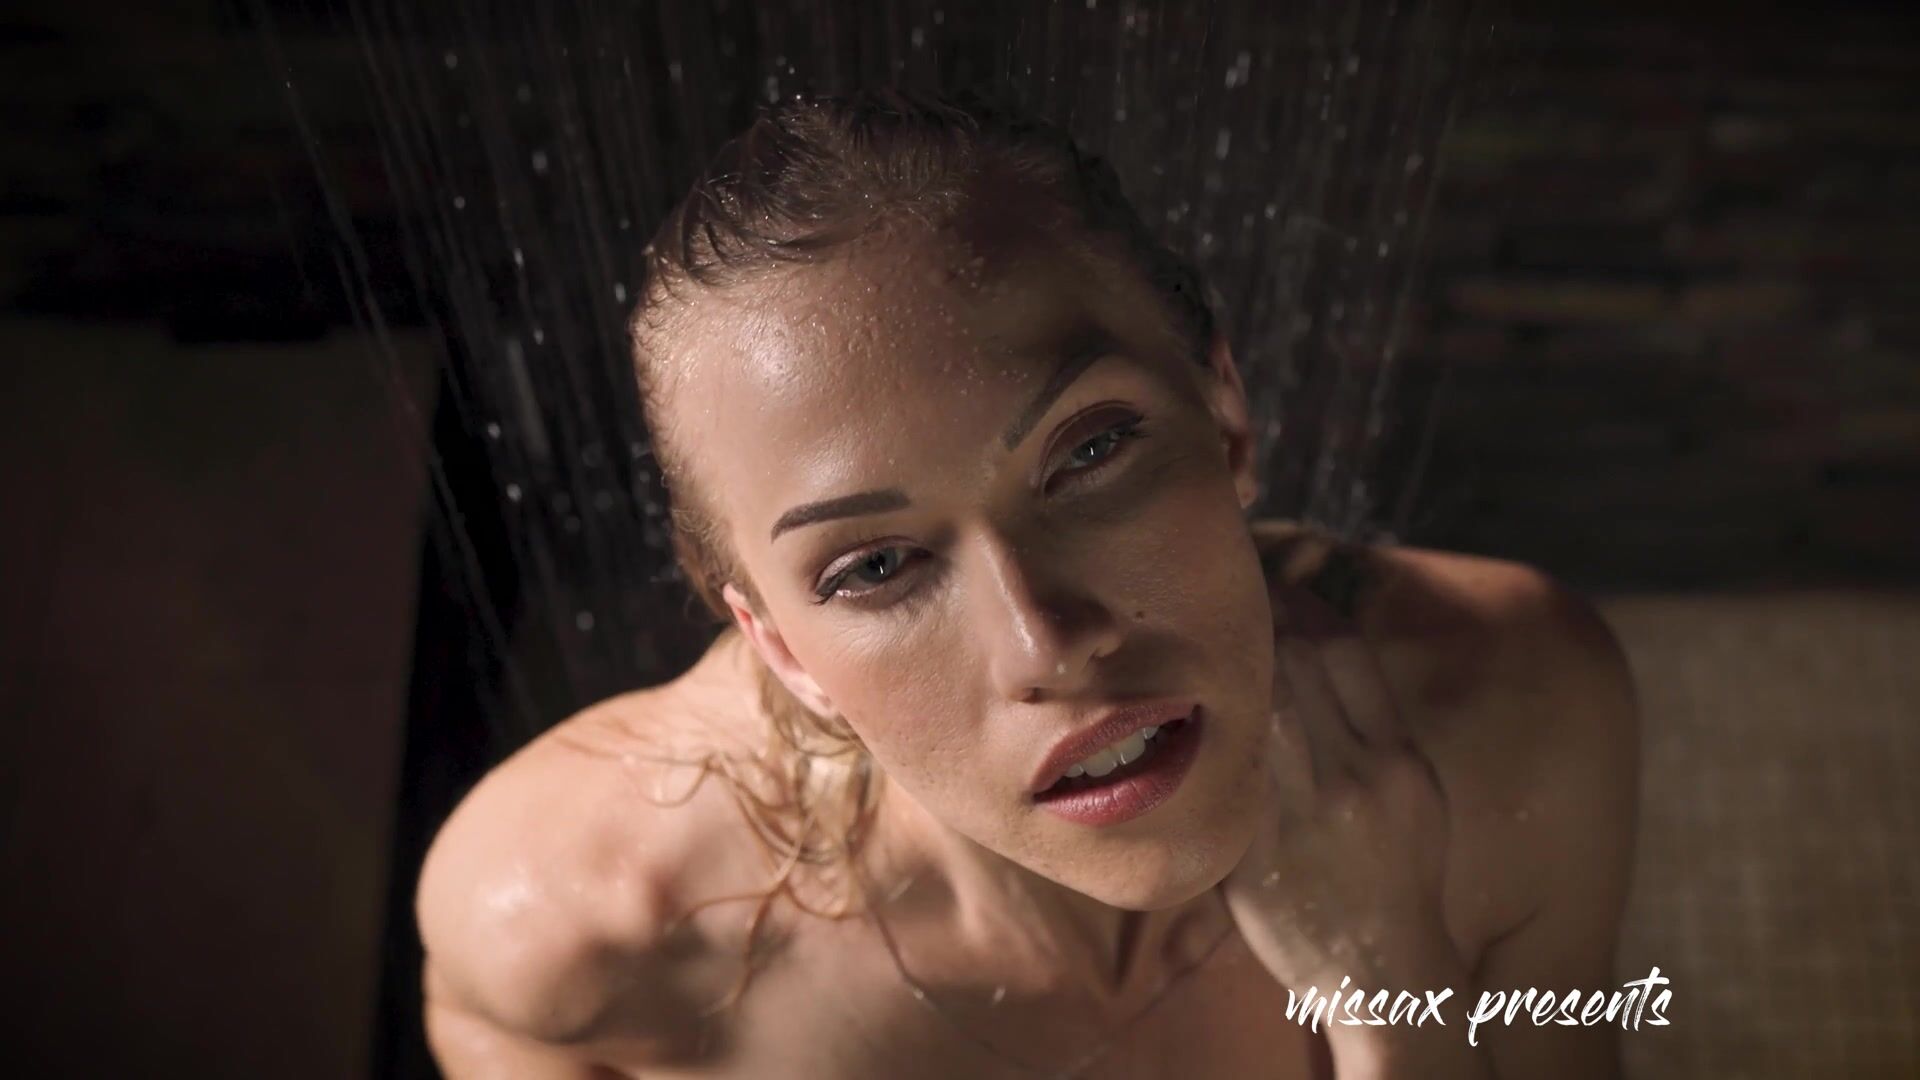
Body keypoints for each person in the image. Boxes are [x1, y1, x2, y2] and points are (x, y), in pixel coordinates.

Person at [414, 89, 1641, 1079]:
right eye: (875, 566)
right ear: (780, 647)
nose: (1046, 642)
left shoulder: (1509, 713)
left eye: (1090, 452)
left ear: (1223, 418)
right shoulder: (579, 915)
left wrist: (1397, 999)